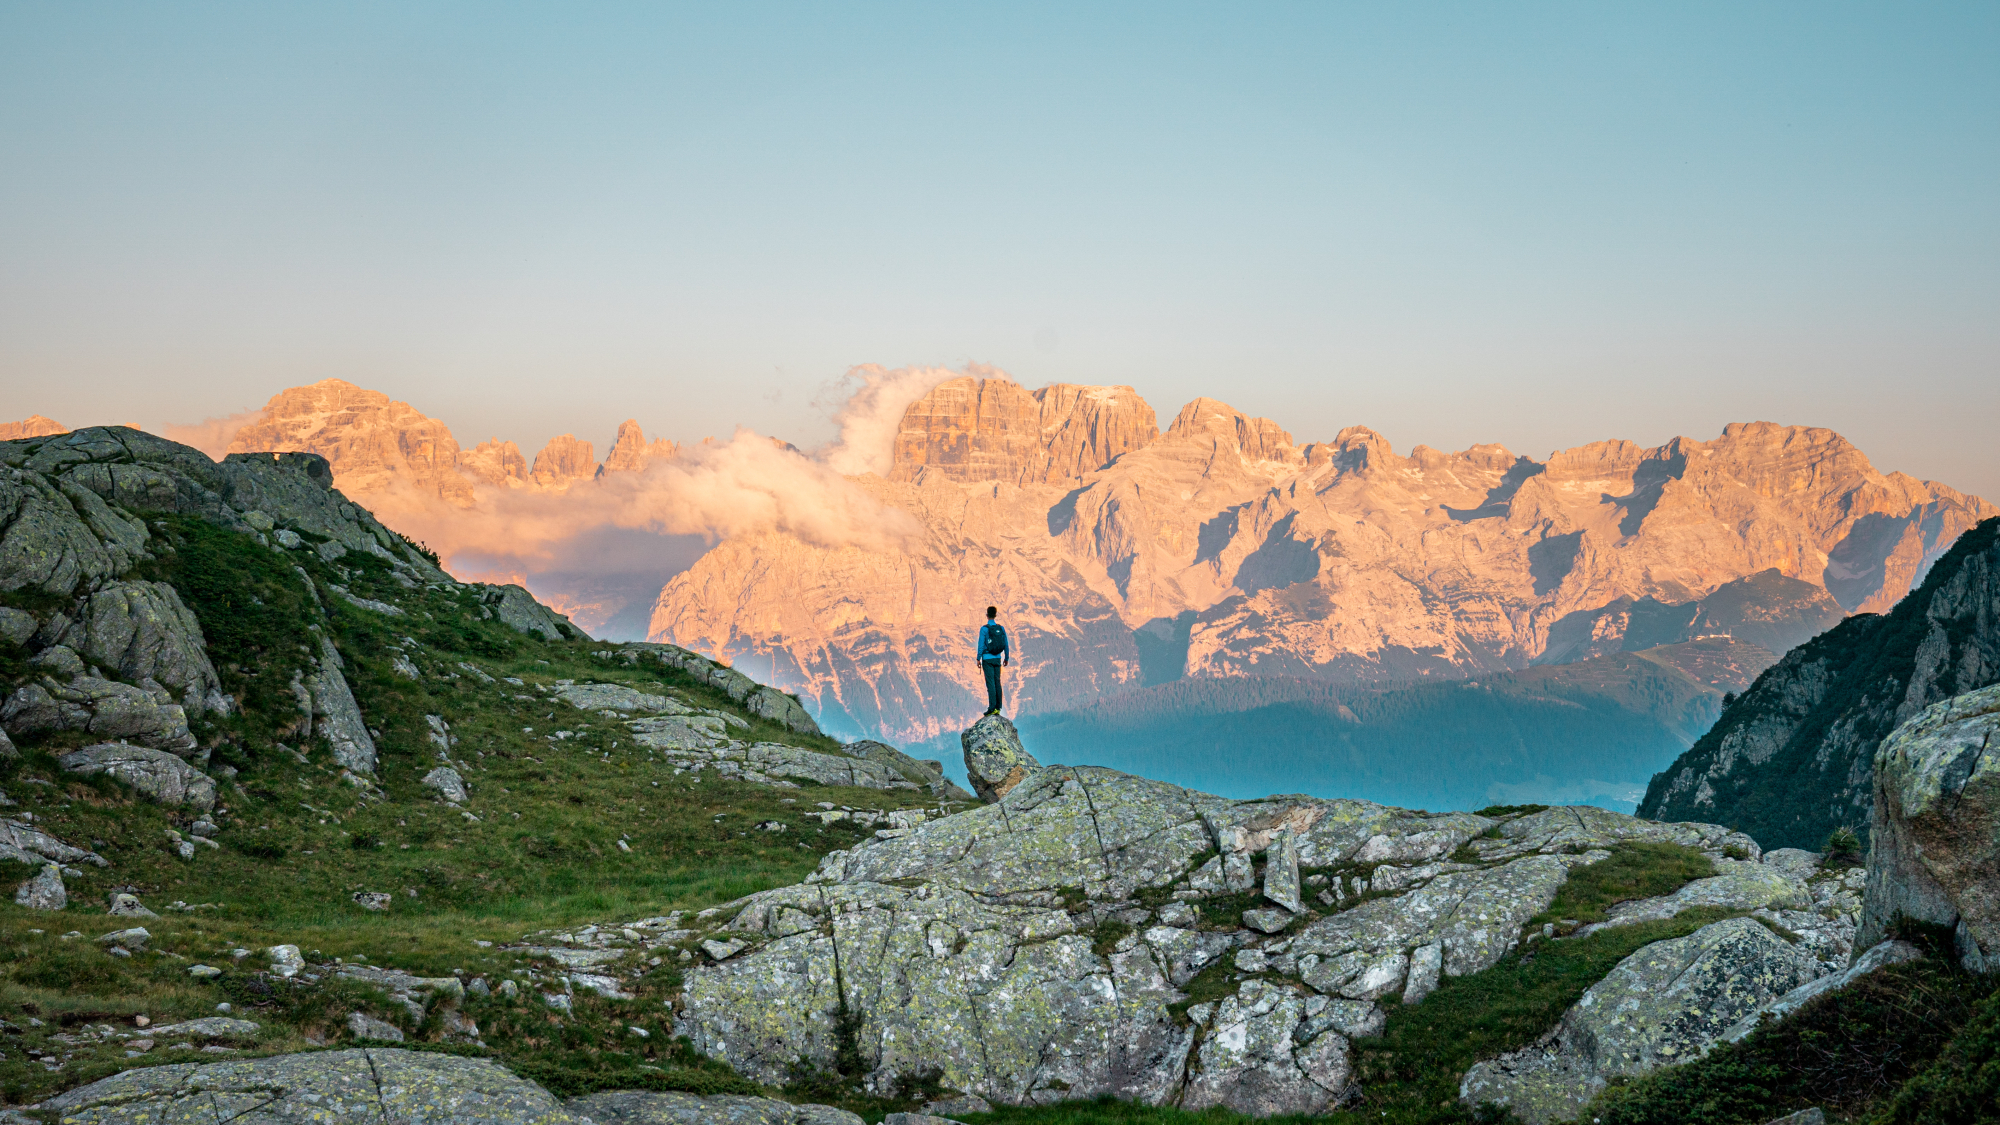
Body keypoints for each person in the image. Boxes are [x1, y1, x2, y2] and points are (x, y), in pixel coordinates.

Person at [976, 605, 1009, 716]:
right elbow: (1006, 644)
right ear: (995, 615)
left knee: (990, 683)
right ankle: (998, 708)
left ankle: (992, 708)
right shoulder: (1001, 628)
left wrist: (978, 658)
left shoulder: (984, 629)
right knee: (997, 682)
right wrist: (1006, 658)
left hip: (987, 659)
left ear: (987, 615)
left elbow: (981, 644)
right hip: (997, 659)